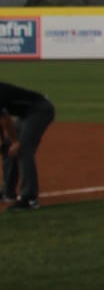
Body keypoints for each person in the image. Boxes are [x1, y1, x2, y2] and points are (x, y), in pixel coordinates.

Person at [0, 80, 54, 212]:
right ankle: (8, 193)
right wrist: (5, 142)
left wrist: (15, 142)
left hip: (40, 110)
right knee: (7, 147)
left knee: (23, 149)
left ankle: (30, 198)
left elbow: (4, 119)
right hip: (26, 114)